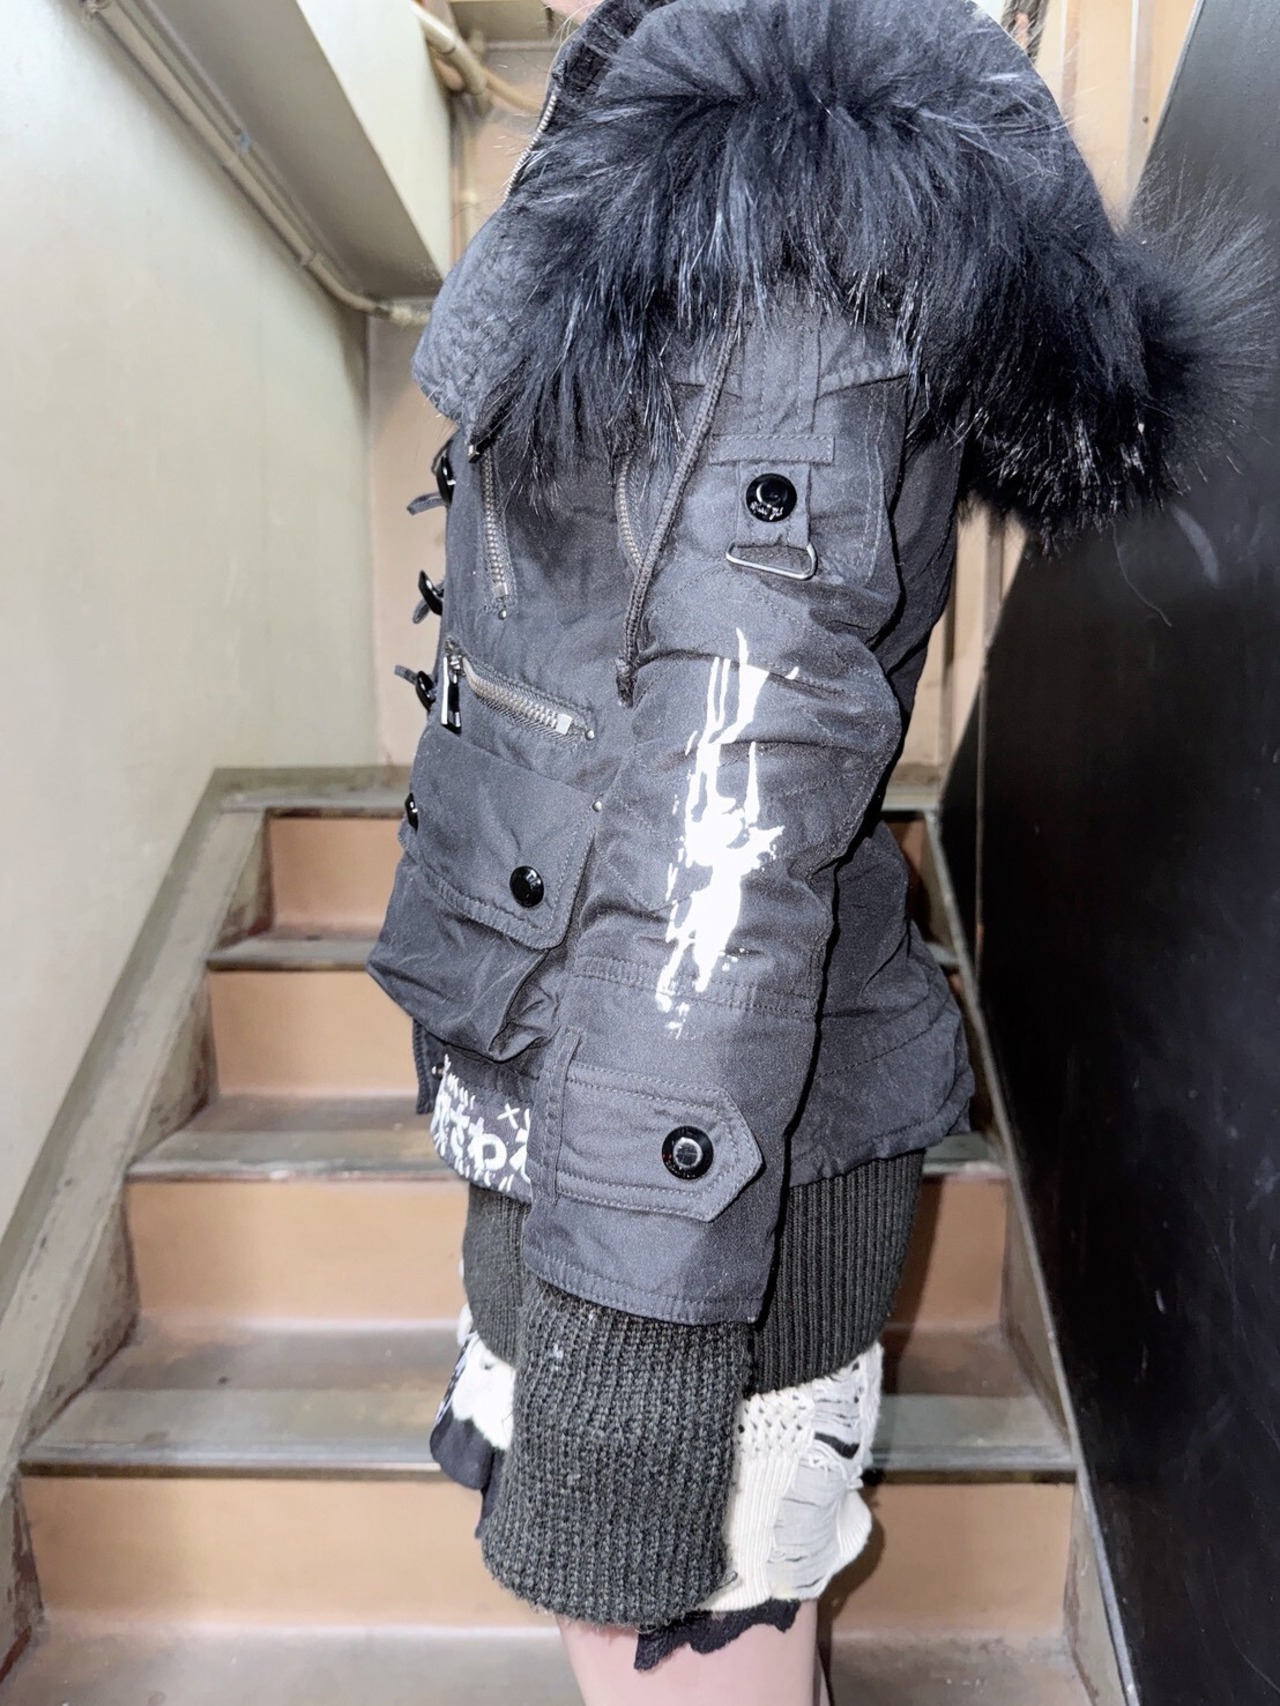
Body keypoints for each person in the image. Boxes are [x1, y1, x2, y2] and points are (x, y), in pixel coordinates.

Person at [368, 0, 1254, 1698]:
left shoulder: (787, 213)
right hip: (608, 1125)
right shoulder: (710, 136)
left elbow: (723, 823)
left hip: (687, 1190)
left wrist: (631, 1370)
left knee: (680, 1643)